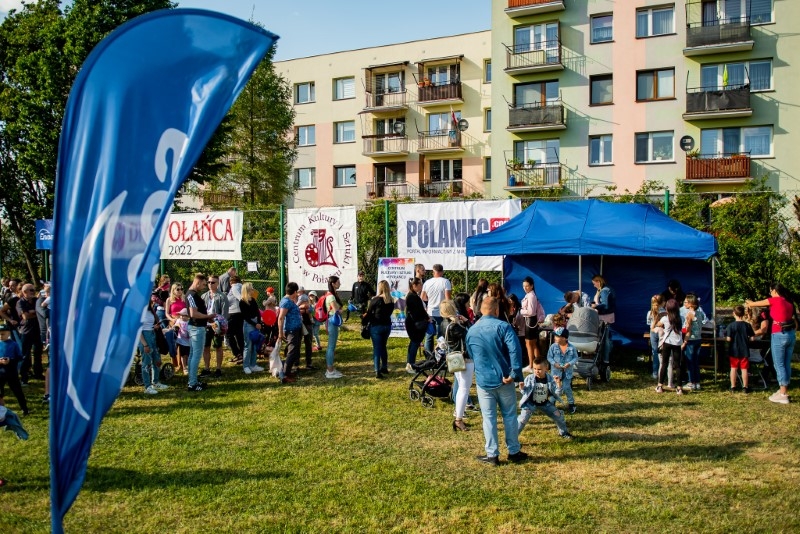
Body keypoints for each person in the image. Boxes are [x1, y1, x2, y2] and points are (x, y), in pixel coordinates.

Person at [465, 296, 526, 465]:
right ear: (497, 310)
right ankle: (514, 451)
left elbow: (471, 353)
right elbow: (515, 350)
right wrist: (515, 373)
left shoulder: (472, 330)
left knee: (489, 418)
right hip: (505, 378)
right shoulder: (504, 327)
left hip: (484, 380)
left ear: (480, 310)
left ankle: (492, 454)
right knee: (509, 415)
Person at [746, 283, 796, 405]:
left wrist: (749, 303)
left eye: (770, 291)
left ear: (774, 291)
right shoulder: (789, 302)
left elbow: (756, 304)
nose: (770, 293)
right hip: (790, 335)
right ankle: (783, 390)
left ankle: (783, 394)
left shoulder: (775, 300)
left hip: (779, 334)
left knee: (779, 364)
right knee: (786, 363)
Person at [518, 358, 573, 440]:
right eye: (534, 369)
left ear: (546, 369)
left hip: (544, 403)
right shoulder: (529, 378)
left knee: (558, 415)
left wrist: (558, 384)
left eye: (539, 369)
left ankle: (564, 433)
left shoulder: (550, 379)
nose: (536, 371)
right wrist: (522, 387)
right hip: (530, 403)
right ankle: (513, 438)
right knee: (522, 419)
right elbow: (524, 392)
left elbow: (557, 393)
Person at [439, 299, 472, 431]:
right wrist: (466, 322)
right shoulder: (454, 326)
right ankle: (458, 418)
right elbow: (470, 335)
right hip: (464, 358)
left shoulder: (443, 323)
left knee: (461, 386)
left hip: (453, 357)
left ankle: (458, 412)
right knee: (464, 388)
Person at [186, 273, 213, 392]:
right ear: (197, 282)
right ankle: (192, 383)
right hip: (196, 328)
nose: (204, 287)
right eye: (203, 284)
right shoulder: (191, 295)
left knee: (193, 355)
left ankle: (192, 380)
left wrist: (207, 318)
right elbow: (193, 313)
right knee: (196, 356)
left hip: (196, 327)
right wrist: (208, 316)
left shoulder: (193, 294)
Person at [365, 280, 394, 379]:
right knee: (383, 346)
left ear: (380, 288)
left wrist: (364, 319)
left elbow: (369, 313)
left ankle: (377, 370)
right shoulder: (391, 300)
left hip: (376, 325)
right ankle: (384, 367)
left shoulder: (376, 300)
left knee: (377, 348)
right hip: (387, 325)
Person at [655, 299, 685, 395]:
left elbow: (658, 324)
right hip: (677, 343)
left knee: (664, 363)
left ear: (667, 308)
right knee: (677, 365)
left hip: (667, 342)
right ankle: (679, 388)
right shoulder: (681, 318)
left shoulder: (665, 318)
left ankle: (660, 386)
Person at [201, 275, 229, 378]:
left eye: (212, 282)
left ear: (217, 284)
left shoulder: (222, 296)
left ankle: (218, 369)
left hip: (217, 325)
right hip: (206, 325)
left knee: (218, 346)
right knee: (206, 346)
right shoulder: (204, 296)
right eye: (208, 282)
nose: (210, 284)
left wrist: (220, 325)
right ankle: (206, 368)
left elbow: (224, 314)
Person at [139, 301, 169, 395]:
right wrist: (145, 344)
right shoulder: (139, 311)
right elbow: (138, 330)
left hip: (152, 334)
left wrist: (155, 326)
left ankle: (155, 381)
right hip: (144, 337)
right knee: (146, 363)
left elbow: (151, 323)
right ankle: (147, 386)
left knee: (157, 360)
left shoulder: (150, 310)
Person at [16, 284, 44, 384]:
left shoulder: (37, 300)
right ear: (24, 292)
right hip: (26, 331)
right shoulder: (20, 302)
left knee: (38, 353)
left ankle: (38, 373)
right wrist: (36, 312)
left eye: (34, 290)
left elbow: (43, 312)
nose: (33, 292)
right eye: (31, 290)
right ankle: (24, 377)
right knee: (25, 355)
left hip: (37, 330)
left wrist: (32, 312)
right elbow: (25, 316)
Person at [546, 326, 578, 414]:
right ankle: (552, 403)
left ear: (564, 338)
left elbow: (575, 358)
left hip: (567, 372)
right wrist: (554, 363)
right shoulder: (553, 347)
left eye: (557, 336)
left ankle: (571, 404)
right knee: (555, 388)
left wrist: (569, 363)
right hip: (556, 372)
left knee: (567, 387)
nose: (555, 337)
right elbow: (549, 357)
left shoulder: (572, 348)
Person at [421, 264, 452, 353]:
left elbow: (423, 297)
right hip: (441, 312)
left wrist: (430, 301)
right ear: (442, 272)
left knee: (429, 334)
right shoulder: (445, 282)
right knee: (440, 335)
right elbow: (448, 298)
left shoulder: (427, 282)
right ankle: (440, 354)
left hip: (430, 312)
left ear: (433, 272)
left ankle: (428, 354)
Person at [277, 282, 303, 383]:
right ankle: (284, 374)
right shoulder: (286, 302)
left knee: (294, 351)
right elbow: (281, 317)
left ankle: (287, 371)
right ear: (295, 292)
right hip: (291, 330)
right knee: (291, 352)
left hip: (296, 329)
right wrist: (280, 332)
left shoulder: (289, 300)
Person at [0, 323, 28, 415]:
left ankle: (24, 409)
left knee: (18, 391)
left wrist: (10, 360)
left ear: (8, 333)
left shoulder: (13, 344)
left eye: (3, 334)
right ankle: (1, 410)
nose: (1, 336)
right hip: (0, 372)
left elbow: (19, 357)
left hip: (11, 372)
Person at [726, 305, 755, 393]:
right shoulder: (747, 325)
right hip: (744, 350)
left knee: (733, 368)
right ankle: (745, 387)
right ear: (743, 314)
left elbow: (728, 339)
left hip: (733, 350)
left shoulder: (731, 325)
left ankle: (733, 386)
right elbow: (752, 338)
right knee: (744, 369)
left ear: (733, 313)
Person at [404, 277, 429, 373]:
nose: (421, 286)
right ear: (414, 285)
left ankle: (410, 363)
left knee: (414, 343)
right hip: (414, 323)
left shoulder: (414, 295)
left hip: (415, 322)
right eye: (420, 285)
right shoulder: (412, 297)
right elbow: (417, 311)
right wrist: (425, 318)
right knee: (415, 343)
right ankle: (411, 364)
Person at [681, 293, 705, 391]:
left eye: (686, 302)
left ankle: (691, 382)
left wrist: (684, 342)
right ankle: (697, 382)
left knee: (690, 362)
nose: (684, 304)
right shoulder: (699, 313)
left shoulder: (689, 314)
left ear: (691, 304)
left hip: (691, 340)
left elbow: (688, 330)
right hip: (698, 339)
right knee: (696, 362)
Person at [240, 282, 265, 375]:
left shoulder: (253, 300)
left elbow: (257, 312)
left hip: (256, 323)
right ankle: (246, 366)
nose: (253, 290)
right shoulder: (242, 302)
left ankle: (253, 364)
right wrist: (255, 324)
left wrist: (259, 322)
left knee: (255, 345)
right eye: (251, 288)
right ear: (247, 290)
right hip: (248, 324)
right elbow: (245, 316)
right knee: (248, 346)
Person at [520, 276, 544, 372]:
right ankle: (537, 364)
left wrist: (521, 311)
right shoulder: (530, 295)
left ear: (532, 286)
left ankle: (531, 365)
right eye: (523, 286)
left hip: (531, 321)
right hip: (530, 321)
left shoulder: (531, 296)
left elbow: (531, 312)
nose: (525, 288)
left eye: (527, 286)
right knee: (532, 344)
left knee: (530, 344)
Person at [323, 276, 344, 379]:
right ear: (333, 284)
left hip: (331, 321)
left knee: (332, 346)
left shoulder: (331, 294)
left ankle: (330, 368)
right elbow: (336, 311)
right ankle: (330, 371)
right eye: (338, 282)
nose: (340, 283)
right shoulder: (331, 296)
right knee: (331, 347)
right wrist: (343, 310)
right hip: (332, 322)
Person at [165, 282, 187, 374]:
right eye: (178, 289)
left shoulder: (184, 299)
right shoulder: (169, 300)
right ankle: (174, 365)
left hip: (183, 322)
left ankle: (182, 365)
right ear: (173, 290)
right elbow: (167, 313)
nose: (180, 291)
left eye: (181, 289)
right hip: (173, 322)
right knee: (173, 343)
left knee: (181, 344)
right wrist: (172, 320)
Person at [646, 294, 666, 381]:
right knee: (663, 352)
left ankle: (655, 373)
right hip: (663, 332)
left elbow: (648, 323)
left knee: (654, 352)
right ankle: (663, 373)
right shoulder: (665, 312)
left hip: (653, 332)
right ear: (663, 303)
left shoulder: (650, 313)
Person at [226, 275, 245, 365]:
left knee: (228, 334)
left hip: (233, 313)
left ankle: (237, 353)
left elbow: (240, 298)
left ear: (231, 282)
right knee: (239, 335)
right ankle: (242, 353)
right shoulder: (242, 287)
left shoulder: (234, 287)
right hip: (240, 314)